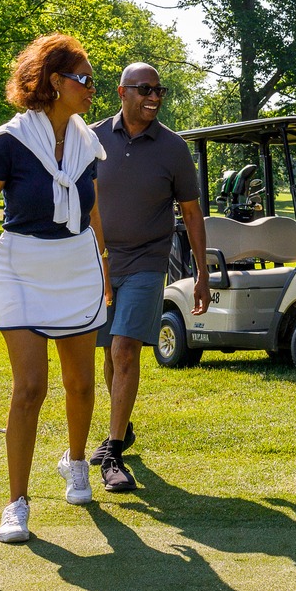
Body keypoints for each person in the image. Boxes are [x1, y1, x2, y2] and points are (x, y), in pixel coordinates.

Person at [0, 34, 110, 545]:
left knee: (81, 384)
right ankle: (17, 503)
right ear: (54, 82)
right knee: (29, 388)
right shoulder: (9, 142)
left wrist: (105, 261)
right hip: (21, 268)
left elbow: (91, 210)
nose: (92, 89)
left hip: (78, 266)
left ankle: (76, 461)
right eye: (84, 79)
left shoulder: (87, 144)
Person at [87, 62, 211, 493]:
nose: (154, 97)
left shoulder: (173, 148)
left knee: (125, 349)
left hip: (147, 261)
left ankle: (113, 453)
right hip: (98, 263)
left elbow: (192, 213)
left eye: (160, 90)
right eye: (145, 89)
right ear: (122, 92)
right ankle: (121, 427)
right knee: (109, 352)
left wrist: (201, 273)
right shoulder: (91, 138)